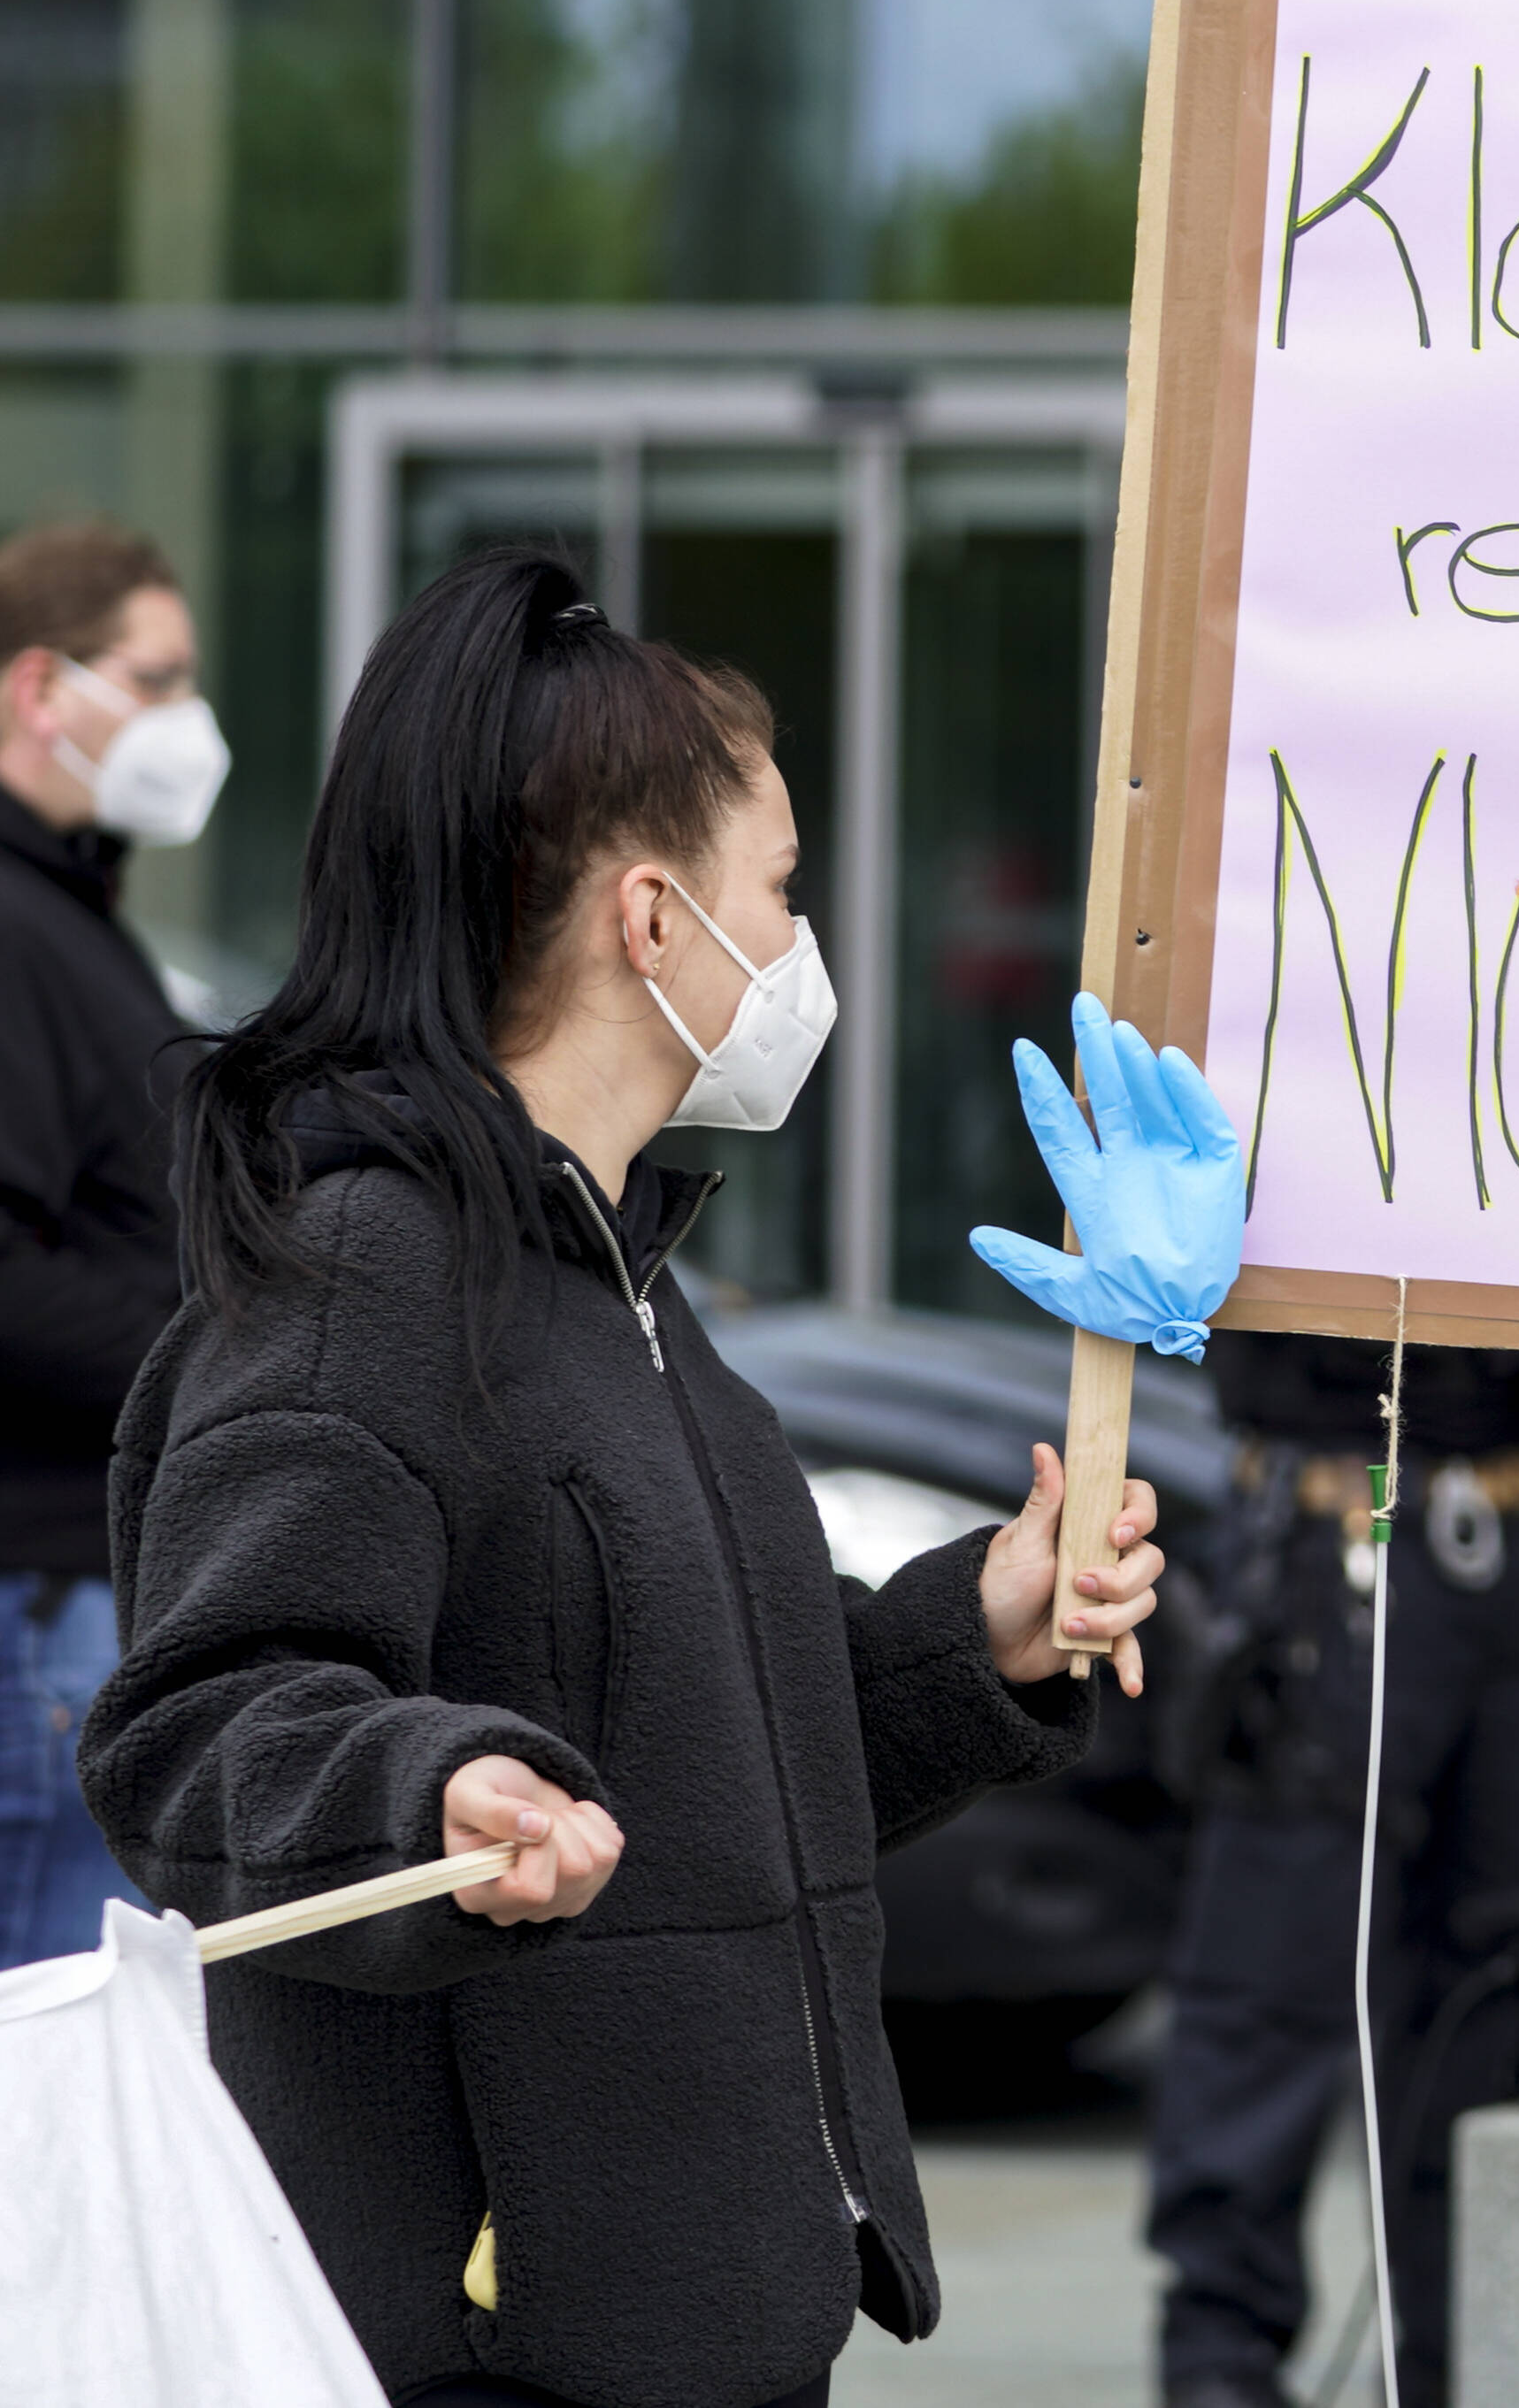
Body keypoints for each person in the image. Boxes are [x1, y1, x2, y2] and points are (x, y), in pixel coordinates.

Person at [77, 549, 1165, 2408]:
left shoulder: (618, 1279)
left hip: (704, 2302)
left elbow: (713, 1741)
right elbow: (199, 1723)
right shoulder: (371, 1267)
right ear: (654, 922)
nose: (804, 949)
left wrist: (975, 1631)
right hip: (498, 2343)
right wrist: (429, 1791)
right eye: (784, 893)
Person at [1147, 1333, 1519, 2408]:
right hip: (1332, 1520)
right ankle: (1222, 2361)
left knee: (1498, 1982)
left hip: (1511, 1531)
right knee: (1272, 1976)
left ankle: (1450, 2358)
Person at [0, 518, 211, 1967]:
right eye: (154, 679)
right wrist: (222, 1342)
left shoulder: (70, 907)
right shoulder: (15, 926)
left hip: (84, 1607)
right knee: (51, 2105)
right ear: (37, 687)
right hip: (47, 1605)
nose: (186, 724)